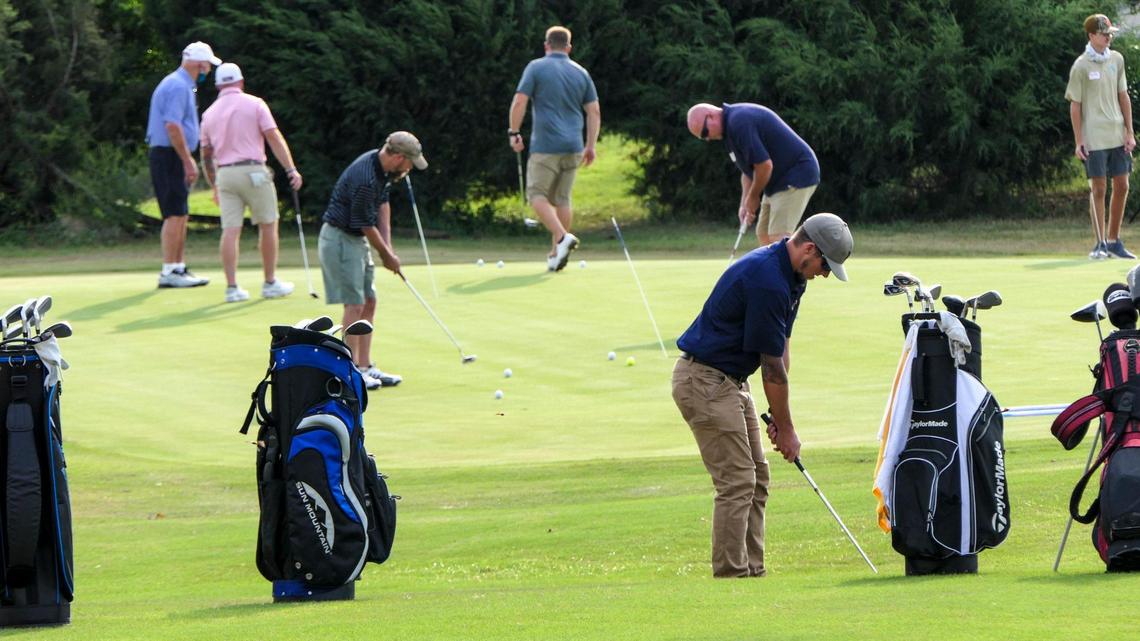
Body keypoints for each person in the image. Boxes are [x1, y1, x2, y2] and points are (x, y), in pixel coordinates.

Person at [671, 212, 853, 578]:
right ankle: (731, 576)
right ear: (809, 248)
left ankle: (753, 572)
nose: (825, 273)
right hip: (704, 381)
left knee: (757, 477)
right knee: (737, 481)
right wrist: (786, 429)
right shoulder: (768, 280)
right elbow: (771, 368)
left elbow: (780, 349)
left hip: (732, 382)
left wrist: (778, 415)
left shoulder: (793, 276)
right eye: (825, 265)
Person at [318, 132, 427, 389]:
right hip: (340, 239)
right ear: (399, 157)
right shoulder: (365, 177)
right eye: (410, 162)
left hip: (355, 240)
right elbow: (365, 223)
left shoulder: (383, 171)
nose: (410, 168)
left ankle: (365, 366)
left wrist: (388, 248)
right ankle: (349, 371)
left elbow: (383, 206)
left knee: (369, 300)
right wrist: (386, 255)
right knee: (354, 304)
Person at [200, 62, 301, 303]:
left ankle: (232, 288)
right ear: (241, 82)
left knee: (230, 230)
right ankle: (269, 282)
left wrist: (214, 185)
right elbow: (273, 137)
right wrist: (291, 168)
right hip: (254, 170)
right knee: (268, 224)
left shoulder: (209, 113)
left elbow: (205, 155)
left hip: (225, 173)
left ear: (217, 86)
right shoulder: (255, 104)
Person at [508, 25, 600, 272]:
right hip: (573, 146)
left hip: (545, 146)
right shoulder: (581, 73)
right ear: (568, 47)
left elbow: (519, 101)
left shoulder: (536, 67)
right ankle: (555, 253)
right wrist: (590, 145)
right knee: (562, 199)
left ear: (546, 45)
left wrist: (514, 132)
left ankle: (561, 237)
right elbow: (594, 112)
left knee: (536, 195)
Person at [686, 103, 820, 247]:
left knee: (778, 238)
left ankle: (808, 262)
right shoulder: (729, 132)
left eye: (705, 132)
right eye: (702, 137)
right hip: (776, 180)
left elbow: (764, 165)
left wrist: (753, 196)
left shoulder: (739, 122)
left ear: (711, 116)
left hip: (796, 173)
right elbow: (748, 172)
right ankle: (774, 269)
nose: (707, 139)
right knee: (763, 235)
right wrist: (745, 203)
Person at [145, 41, 221, 288]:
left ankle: (178, 267)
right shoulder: (177, 86)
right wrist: (188, 160)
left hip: (172, 154)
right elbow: (172, 126)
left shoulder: (183, 85)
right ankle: (169, 270)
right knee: (174, 214)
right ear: (199, 65)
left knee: (181, 212)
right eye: (208, 66)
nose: (209, 71)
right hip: (169, 154)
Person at [1066, 13, 1137, 260]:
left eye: (1109, 33)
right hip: (1093, 136)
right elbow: (1075, 105)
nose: (1108, 37)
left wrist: (1130, 131)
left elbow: (1123, 96)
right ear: (1091, 36)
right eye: (1103, 33)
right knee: (1098, 188)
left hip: (1117, 133)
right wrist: (1078, 141)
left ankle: (1114, 241)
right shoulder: (1081, 66)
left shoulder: (1116, 59)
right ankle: (1100, 244)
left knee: (1122, 185)